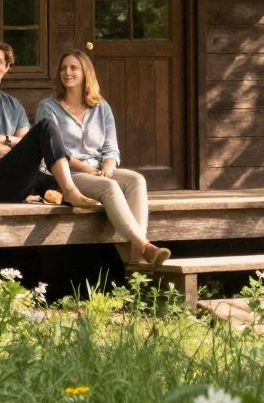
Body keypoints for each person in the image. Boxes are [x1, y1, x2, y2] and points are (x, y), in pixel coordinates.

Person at [36, 49, 170, 266]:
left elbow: (111, 148)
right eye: (63, 68)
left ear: (86, 73)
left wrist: (108, 166)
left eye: (73, 68)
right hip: (68, 174)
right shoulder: (48, 107)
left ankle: (136, 251)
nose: (67, 72)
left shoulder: (101, 107)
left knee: (136, 180)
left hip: (98, 169)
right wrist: (89, 170)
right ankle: (144, 246)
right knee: (110, 187)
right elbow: (54, 150)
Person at [0, 38, 102, 210]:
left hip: (18, 178)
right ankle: (68, 192)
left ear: (7, 67)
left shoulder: (13, 105)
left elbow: (26, 144)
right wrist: (22, 150)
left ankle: (62, 193)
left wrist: (6, 139)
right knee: (45, 127)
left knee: (79, 187)